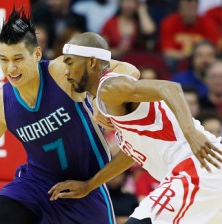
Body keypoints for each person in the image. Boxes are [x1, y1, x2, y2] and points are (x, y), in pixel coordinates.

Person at [0, 8, 140, 224]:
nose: (11, 68)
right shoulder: (0, 101)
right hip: (35, 186)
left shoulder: (62, 72)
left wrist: (104, 97)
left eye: (18, 58)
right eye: (4, 59)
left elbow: (128, 69)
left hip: (85, 189)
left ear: (37, 54)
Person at [48, 32, 222, 223]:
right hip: (207, 169)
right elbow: (132, 153)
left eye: (70, 62)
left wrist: (190, 133)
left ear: (90, 62)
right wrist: (90, 185)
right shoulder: (108, 96)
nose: (66, 71)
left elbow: (169, 88)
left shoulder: (109, 87)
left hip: (197, 167)